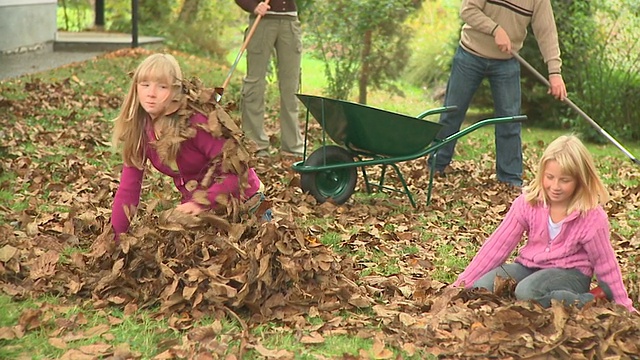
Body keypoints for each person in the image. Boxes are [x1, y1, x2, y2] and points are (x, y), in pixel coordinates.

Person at [452, 135, 636, 312]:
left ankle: (590, 298)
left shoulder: (591, 217)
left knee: (526, 292)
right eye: (550, 177)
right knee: (481, 287)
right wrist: (460, 285)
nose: (555, 186)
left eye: (564, 180)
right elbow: (497, 246)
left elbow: (606, 263)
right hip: (529, 267)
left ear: (580, 180)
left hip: (571, 273)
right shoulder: (528, 204)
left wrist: (623, 304)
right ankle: (533, 301)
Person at [110, 53, 268, 243]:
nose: (151, 93)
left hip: (246, 206)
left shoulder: (196, 123)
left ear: (176, 91)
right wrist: (116, 239)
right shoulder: (140, 129)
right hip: (199, 211)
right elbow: (129, 188)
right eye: (145, 85)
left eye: (162, 86)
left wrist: (203, 202)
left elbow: (238, 172)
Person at [431, 0, 568, 187]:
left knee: (510, 121)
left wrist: (555, 73)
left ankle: (510, 180)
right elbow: (467, 9)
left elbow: (547, 32)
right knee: (452, 113)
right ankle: (436, 166)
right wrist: (495, 29)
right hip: (470, 54)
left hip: (506, 61)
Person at [235, 0, 305, 157]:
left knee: (291, 87)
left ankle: (293, 146)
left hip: (290, 22)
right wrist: (253, 6)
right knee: (255, 84)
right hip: (262, 20)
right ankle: (255, 144)